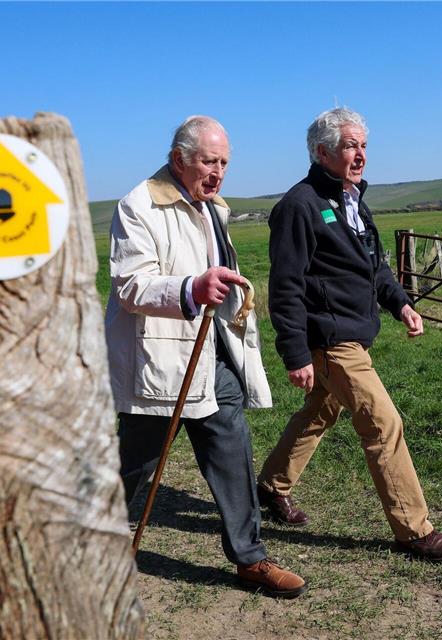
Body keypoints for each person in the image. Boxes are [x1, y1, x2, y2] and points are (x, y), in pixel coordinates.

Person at [256, 108, 442, 563]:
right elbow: (286, 285)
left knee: (319, 412)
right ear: (322, 152)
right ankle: (414, 530)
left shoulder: (352, 198)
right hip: (331, 338)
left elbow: (374, 265)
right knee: (383, 421)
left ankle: (271, 486)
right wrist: (295, 353)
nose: (360, 156)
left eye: (364, 146)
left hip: (355, 331)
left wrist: (401, 303)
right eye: (350, 146)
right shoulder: (300, 206)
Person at [105, 115, 308, 597]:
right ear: (179, 159)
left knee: (232, 452)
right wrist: (191, 287)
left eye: (224, 163)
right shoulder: (139, 205)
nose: (218, 172)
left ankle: (250, 558)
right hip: (158, 362)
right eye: (208, 161)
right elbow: (130, 285)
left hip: (212, 354)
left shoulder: (213, 206)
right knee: (135, 462)